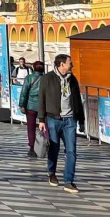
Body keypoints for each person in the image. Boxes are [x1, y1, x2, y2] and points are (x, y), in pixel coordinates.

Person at [38, 54, 85, 192]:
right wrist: (41, 119)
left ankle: (69, 181)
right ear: (61, 65)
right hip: (53, 119)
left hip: (70, 120)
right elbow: (41, 99)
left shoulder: (73, 80)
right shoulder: (47, 78)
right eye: (70, 63)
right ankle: (51, 172)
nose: (72, 65)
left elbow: (77, 101)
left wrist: (81, 120)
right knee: (54, 148)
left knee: (71, 150)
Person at [18, 61, 44, 155]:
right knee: (45, 126)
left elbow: (24, 92)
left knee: (31, 127)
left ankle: (32, 147)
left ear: (33, 68)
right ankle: (45, 145)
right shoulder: (46, 78)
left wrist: (21, 105)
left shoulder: (29, 78)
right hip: (43, 106)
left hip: (31, 106)